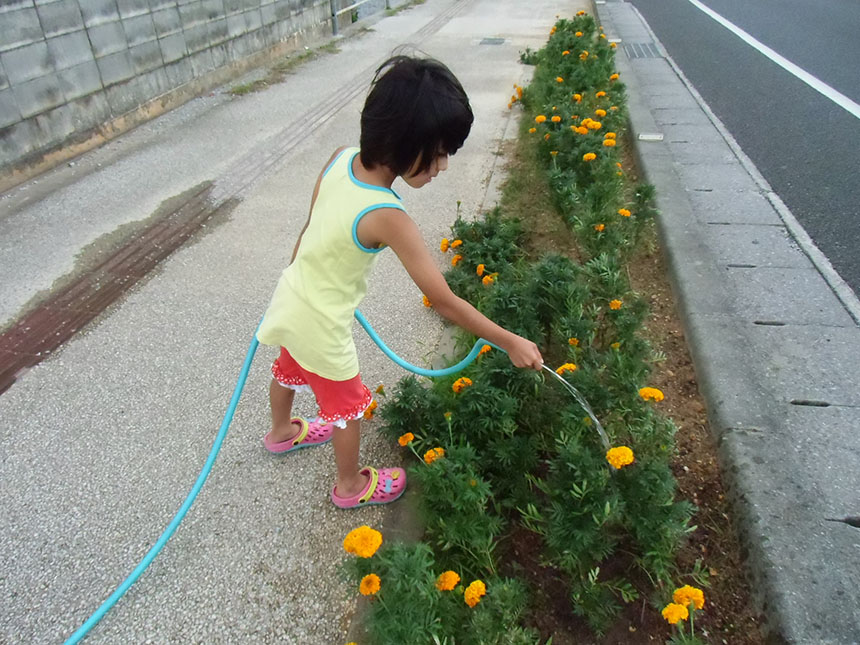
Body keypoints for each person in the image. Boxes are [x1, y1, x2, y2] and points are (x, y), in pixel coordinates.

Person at [256, 54, 543, 509]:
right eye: (440, 152)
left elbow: (310, 230)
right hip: (323, 323)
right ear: (407, 141)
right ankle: (350, 487)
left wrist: (295, 282)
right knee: (346, 406)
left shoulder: (340, 158)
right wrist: (508, 340)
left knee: (290, 366)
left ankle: (281, 433)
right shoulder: (387, 214)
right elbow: (443, 301)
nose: (443, 166)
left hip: (294, 296)